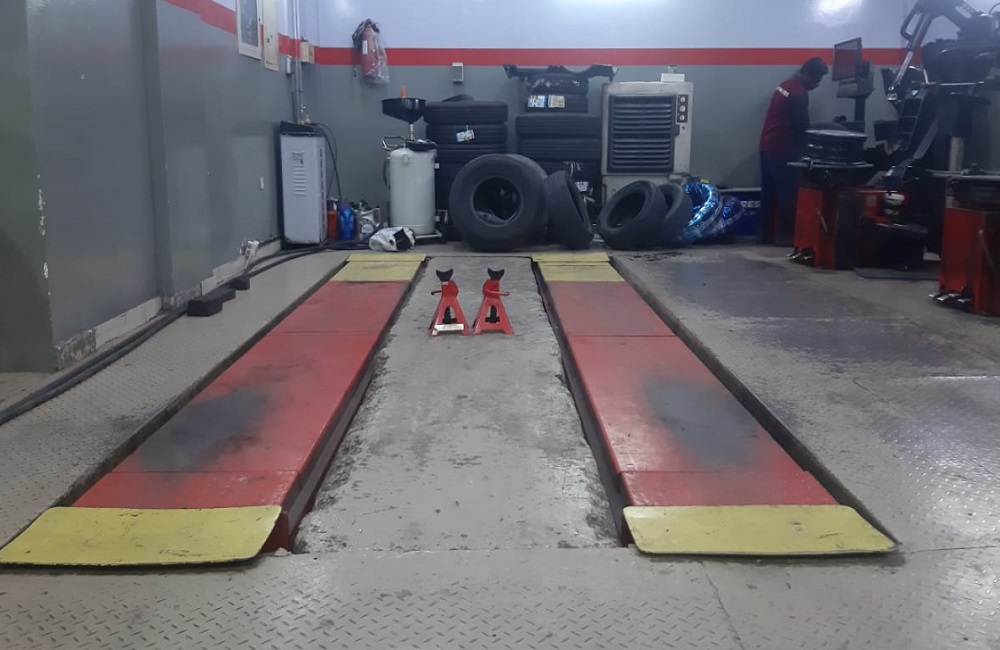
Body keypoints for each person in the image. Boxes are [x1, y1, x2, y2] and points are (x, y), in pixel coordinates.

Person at [758, 57, 829, 246]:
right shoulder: (799, 92)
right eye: (816, 80)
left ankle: (764, 235)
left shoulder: (784, 85)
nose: (816, 85)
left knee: (769, 193)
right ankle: (785, 237)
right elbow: (801, 126)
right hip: (782, 149)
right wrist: (810, 150)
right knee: (788, 194)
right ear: (807, 75)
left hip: (766, 145)